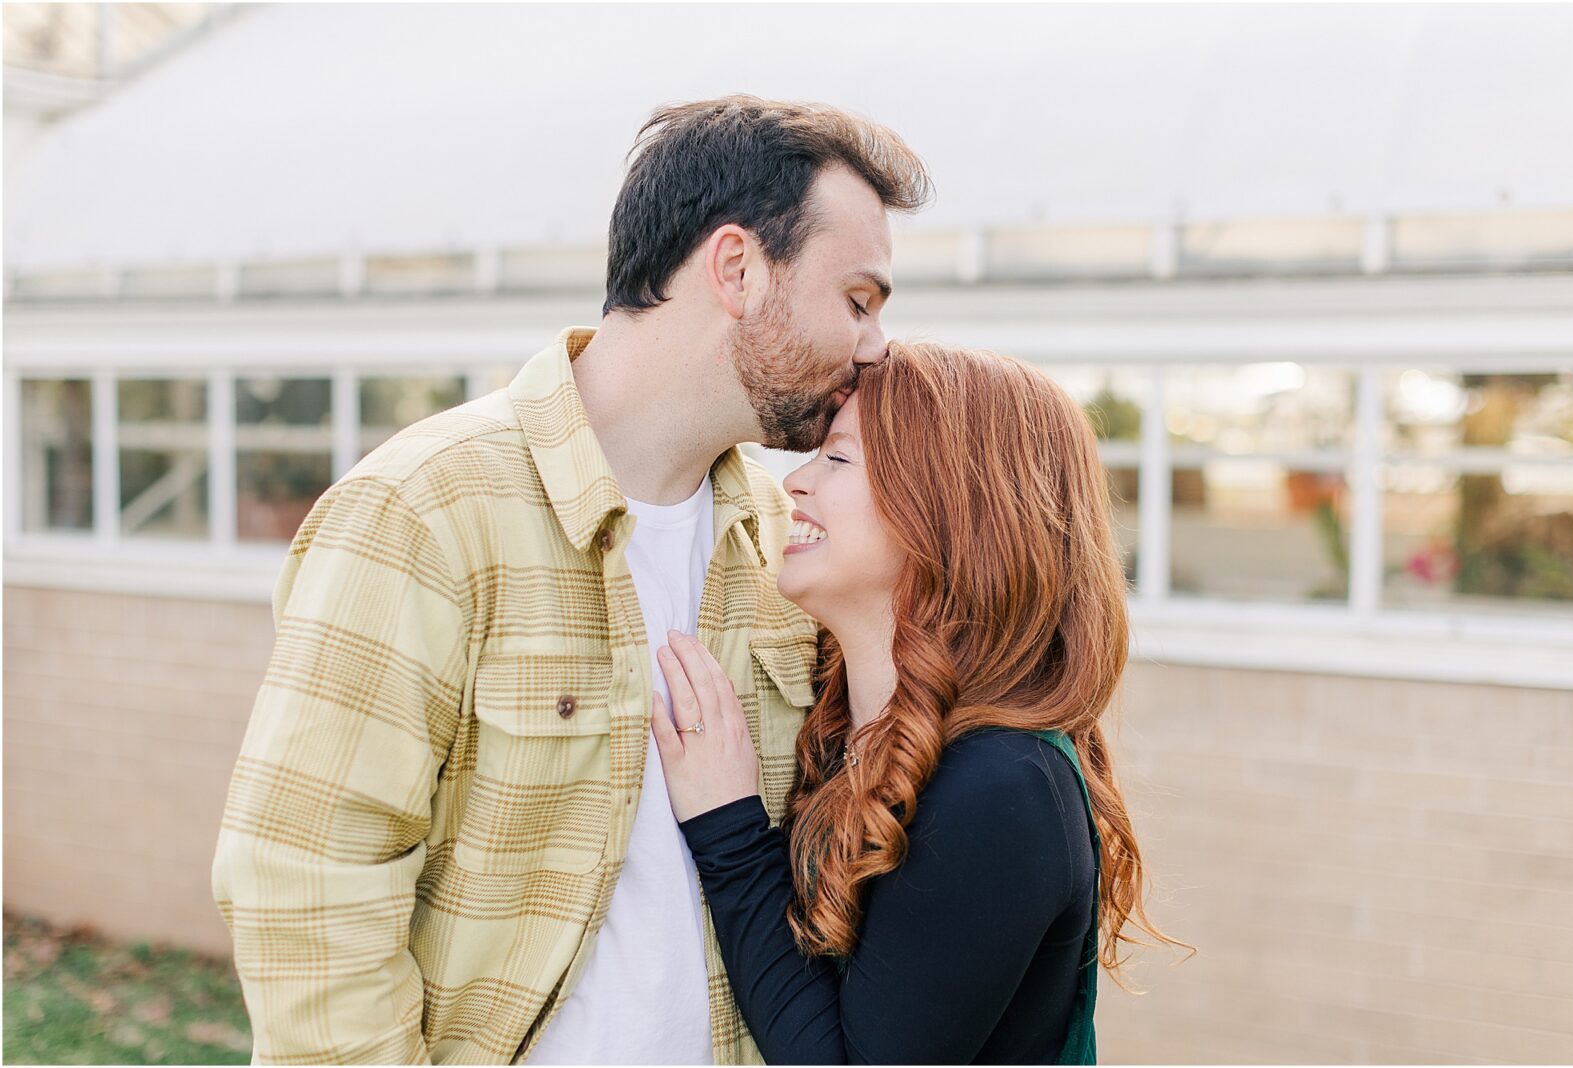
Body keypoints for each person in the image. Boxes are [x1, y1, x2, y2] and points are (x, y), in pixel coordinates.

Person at [211, 95, 930, 1064]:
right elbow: (306, 888)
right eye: (857, 300)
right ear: (737, 268)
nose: (875, 345)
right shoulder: (424, 510)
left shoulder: (785, 540)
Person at [652, 341, 1195, 1064]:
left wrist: (728, 829)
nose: (795, 486)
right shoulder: (855, 731)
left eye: (838, 459)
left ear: (949, 513)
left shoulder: (1004, 787)